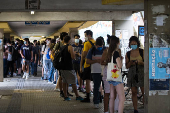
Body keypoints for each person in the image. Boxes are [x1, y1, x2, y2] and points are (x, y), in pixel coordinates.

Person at [60, 36, 83, 101]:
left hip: (62, 67)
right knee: (73, 81)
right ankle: (77, 96)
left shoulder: (61, 47)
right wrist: (75, 54)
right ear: (69, 40)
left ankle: (65, 96)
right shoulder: (70, 47)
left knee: (64, 82)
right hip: (69, 67)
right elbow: (73, 57)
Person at [125, 36, 144, 113]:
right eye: (132, 44)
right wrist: (130, 63)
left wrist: (140, 62)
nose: (133, 45)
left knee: (144, 91)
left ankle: (146, 105)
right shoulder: (128, 53)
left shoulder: (142, 52)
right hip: (132, 74)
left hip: (141, 73)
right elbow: (127, 66)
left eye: (134, 43)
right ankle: (135, 109)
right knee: (134, 92)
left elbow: (147, 63)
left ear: (137, 43)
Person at [106, 36, 125, 113]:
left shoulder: (109, 52)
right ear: (116, 43)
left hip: (110, 77)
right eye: (119, 42)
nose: (119, 43)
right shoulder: (116, 52)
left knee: (112, 97)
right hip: (116, 77)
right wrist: (121, 60)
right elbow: (119, 66)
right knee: (122, 97)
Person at [86, 38, 106, 108]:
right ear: (95, 45)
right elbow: (87, 61)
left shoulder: (106, 50)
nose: (100, 48)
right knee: (96, 87)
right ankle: (96, 102)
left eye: (101, 46)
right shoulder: (91, 50)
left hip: (105, 71)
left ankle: (107, 102)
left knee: (106, 87)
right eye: (98, 46)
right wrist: (96, 61)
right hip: (95, 71)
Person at [80, 30, 95, 102]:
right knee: (96, 80)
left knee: (88, 81)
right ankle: (99, 96)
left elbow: (84, 54)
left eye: (85, 35)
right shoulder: (96, 42)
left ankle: (88, 96)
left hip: (88, 65)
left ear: (89, 35)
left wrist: (82, 53)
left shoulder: (87, 43)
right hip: (96, 64)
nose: (85, 37)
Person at [52, 32, 68, 97]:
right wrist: (56, 59)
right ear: (63, 37)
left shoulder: (67, 44)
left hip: (66, 63)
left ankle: (65, 91)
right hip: (61, 63)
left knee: (65, 77)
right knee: (61, 77)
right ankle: (61, 91)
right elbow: (52, 52)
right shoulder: (59, 44)